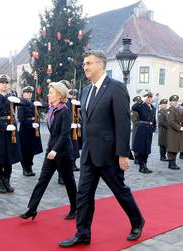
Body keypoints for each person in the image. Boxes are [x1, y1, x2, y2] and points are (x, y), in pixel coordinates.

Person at [59, 51, 144, 247]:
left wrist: (123, 154)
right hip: (89, 153)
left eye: (88, 63)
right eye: (84, 64)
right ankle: (83, 233)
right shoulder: (86, 90)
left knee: (120, 191)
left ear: (101, 64)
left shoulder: (116, 88)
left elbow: (123, 123)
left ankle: (137, 221)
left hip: (109, 154)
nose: (85, 67)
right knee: (84, 195)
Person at [20, 82, 77, 221]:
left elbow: (65, 134)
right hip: (51, 151)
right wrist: (50, 149)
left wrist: (55, 150)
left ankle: (75, 208)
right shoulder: (52, 109)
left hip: (63, 152)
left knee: (69, 181)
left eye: (51, 92)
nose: (48, 94)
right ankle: (32, 209)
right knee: (42, 180)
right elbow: (53, 134)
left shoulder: (65, 110)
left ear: (59, 95)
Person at [0, 74, 23, 193]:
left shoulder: (11, 98)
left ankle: (7, 180)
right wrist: (5, 126)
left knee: (9, 157)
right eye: (2, 83)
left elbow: (22, 106)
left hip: (11, 131)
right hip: (0, 132)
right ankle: (0, 181)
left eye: (6, 83)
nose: (5, 85)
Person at [18, 86, 43, 177]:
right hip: (25, 130)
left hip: (34, 129)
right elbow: (21, 118)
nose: (29, 94)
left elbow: (43, 107)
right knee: (25, 150)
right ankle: (25, 168)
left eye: (30, 92)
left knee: (32, 149)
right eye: (27, 92)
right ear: (23, 94)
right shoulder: (21, 103)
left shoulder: (33, 103)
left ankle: (30, 167)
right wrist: (31, 124)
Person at [132, 92, 156, 174]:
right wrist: (141, 101)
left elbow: (154, 120)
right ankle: (141, 166)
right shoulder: (141, 106)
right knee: (141, 148)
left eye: (150, 98)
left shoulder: (153, 108)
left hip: (149, 129)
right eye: (148, 98)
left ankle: (145, 165)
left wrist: (153, 130)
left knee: (147, 149)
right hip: (142, 128)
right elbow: (133, 107)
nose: (149, 99)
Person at [166, 95, 183, 170]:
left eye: (176, 101)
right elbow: (171, 122)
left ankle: (174, 162)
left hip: (177, 131)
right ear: (170, 102)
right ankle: (171, 163)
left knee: (175, 147)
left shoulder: (177, 109)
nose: (175, 102)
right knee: (172, 147)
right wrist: (179, 127)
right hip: (172, 131)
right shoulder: (170, 110)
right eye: (174, 101)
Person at [131, 95, 141, 164]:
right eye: (137, 102)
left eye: (139, 102)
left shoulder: (142, 110)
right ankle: (136, 157)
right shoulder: (133, 111)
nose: (138, 103)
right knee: (136, 143)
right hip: (136, 129)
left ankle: (139, 157)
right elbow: (135, 121)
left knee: (140, 144)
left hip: (141, 130)